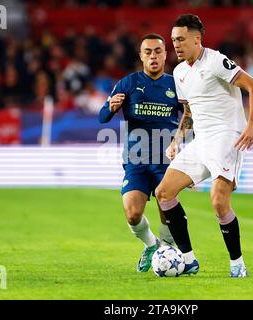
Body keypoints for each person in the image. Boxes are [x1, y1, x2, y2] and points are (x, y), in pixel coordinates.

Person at [155, 14, 253, 278]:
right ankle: (189, 260)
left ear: (197, 39)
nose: (176, 45)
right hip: (200, 141)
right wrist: (177, 140)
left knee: (218, 202)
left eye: (180, 39)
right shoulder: (179, 72)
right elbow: (190, 111)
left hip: (227, 137)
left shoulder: (216, 61)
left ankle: (237, 263)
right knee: (163, 193)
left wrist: (252, 125)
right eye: (173, 40)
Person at [99, 34, 184, 272]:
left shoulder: (175, 85)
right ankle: (151, 245)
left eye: (158, 51)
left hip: (165, 160)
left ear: (166, 54)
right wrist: (111, 107)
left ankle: (167, 248)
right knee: (132, 214)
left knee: (165, 206)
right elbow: (102, 116)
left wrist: (183, 142)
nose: (153, 56)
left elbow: (190, 116)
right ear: (141, 56)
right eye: (148, 52)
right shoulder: (127, 83)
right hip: (135, 160)